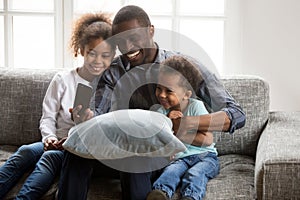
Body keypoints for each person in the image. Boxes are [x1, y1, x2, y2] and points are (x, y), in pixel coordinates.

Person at [58, 5, 245, 200]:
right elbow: (98, 114)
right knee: (77, 152)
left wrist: (187, 124)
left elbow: (236, 114)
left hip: (163, 154)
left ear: (151, 31)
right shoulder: (112, 73)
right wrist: (87, 117)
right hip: (118, 148)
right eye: (120, 41)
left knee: (135, 154)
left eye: (134, 37)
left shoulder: (182, 66)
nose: (127, 47)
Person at [0, 12, 115, 200]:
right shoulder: (63, 79)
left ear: (112, 57)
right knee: (26, 151)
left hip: (77, 150)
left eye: (105, 56)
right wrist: (49, 139)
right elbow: (47, 117)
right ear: (81, 50)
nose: (97, 61)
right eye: (92, 53)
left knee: (48, 159)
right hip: (53, 143)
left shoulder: (109, 86)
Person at [146, 55, 219, 200]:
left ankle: (190, 196)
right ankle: (161, 193)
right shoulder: (160, 112)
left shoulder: (196, 107)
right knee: (170, 172)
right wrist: (168, 122)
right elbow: (157, 137)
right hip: (180, 159)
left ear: (186, 94)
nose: (161, 95)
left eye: (169, 91)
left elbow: (207, 139)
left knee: (195, 174)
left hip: (205, 157)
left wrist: (178, 130)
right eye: (158, 88)